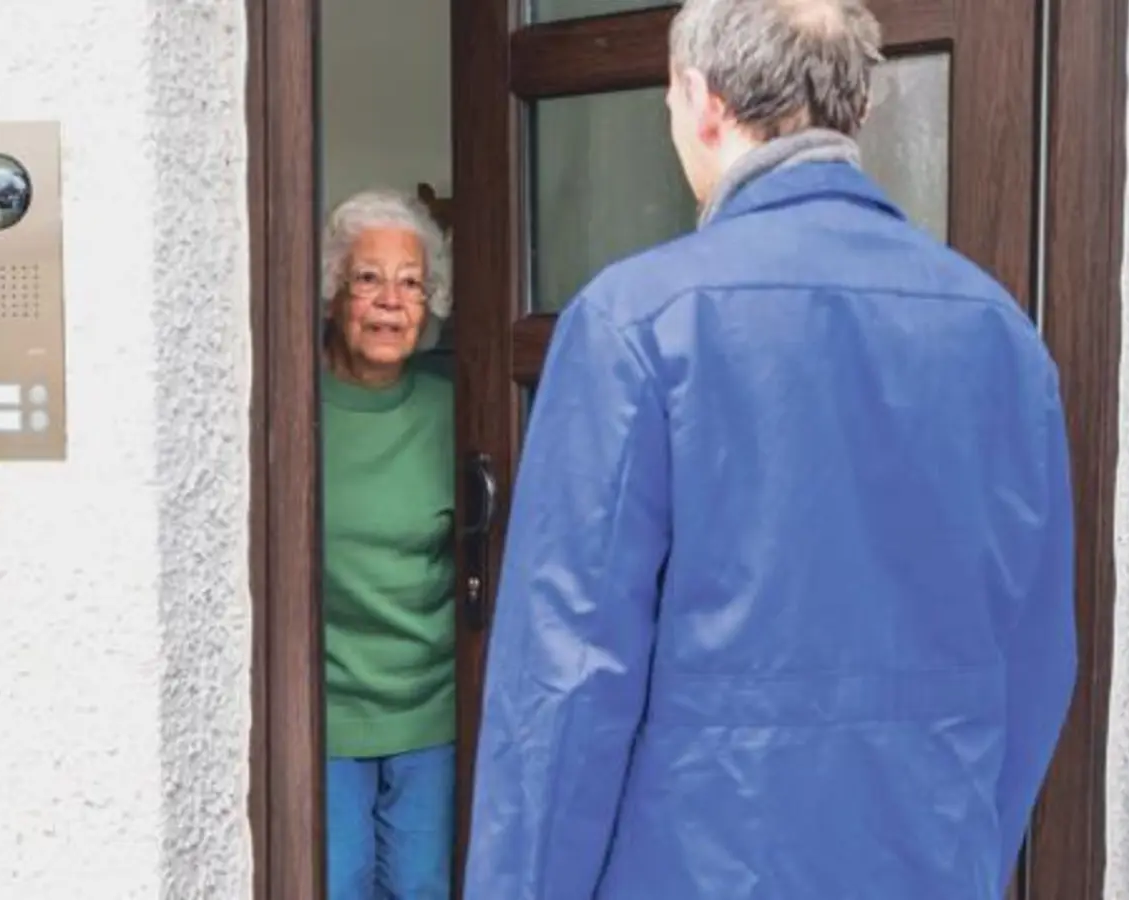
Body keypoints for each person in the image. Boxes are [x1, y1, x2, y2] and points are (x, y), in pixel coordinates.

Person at [462, 1, 1077, 897]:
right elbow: (1035, 665)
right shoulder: (1000, 336)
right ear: (859, 112)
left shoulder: (637, 323)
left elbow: (565, 690)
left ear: (699, 101)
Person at [318, 188, 456, 900]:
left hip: (430, 704)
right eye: (368, 279)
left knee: (422, 888)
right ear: (333, 291)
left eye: (411, 283)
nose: (391, 302)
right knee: (335, 885)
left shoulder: (455, 408)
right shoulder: (293, 406)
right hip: (325, 710)